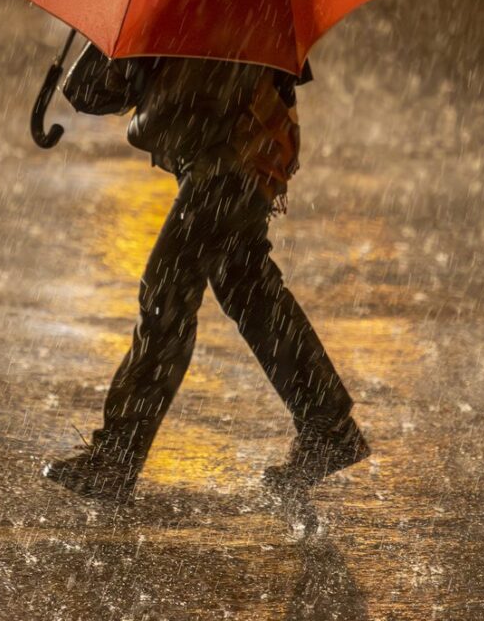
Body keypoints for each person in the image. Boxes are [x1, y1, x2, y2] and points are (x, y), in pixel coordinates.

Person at [42, 44, 368, 503]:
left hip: (230, 159)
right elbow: (96, 93)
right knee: (245, 285)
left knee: (168, 293)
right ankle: (327, 421)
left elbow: (120, 91)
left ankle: (116, 458)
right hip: (234, 157)